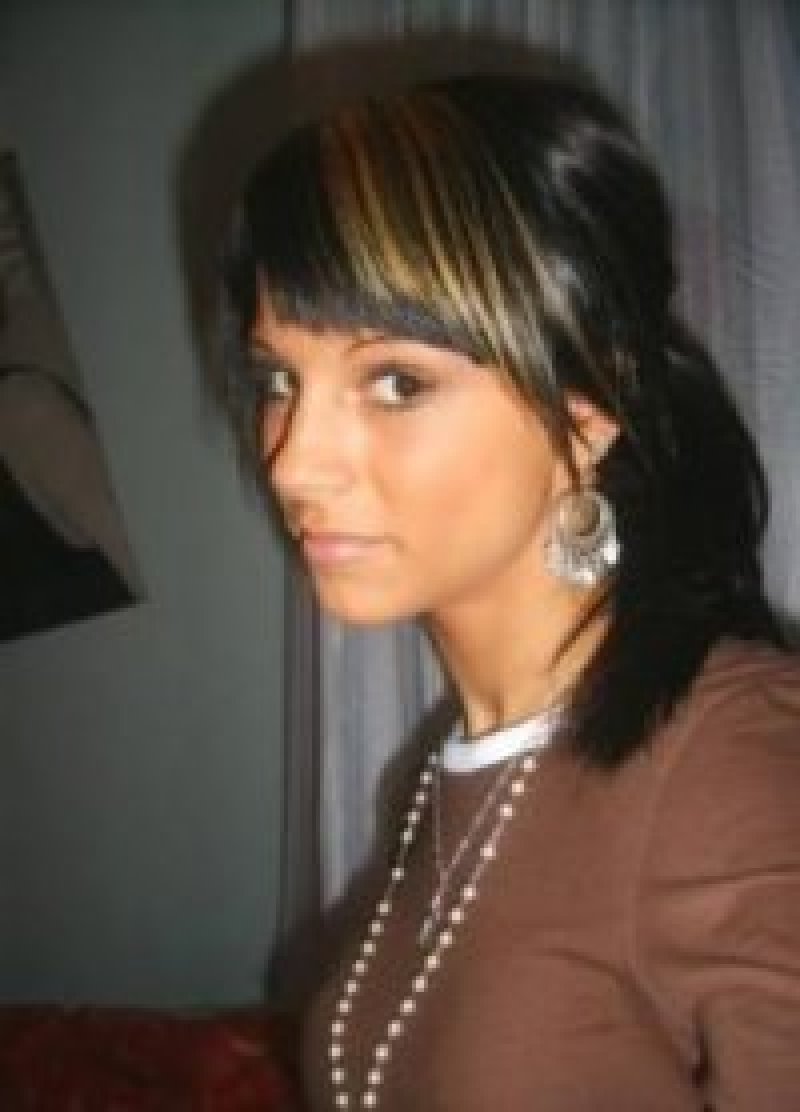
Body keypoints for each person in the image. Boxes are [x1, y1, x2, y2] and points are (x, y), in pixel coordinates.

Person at [218, 58, 800, 1111]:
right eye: (279, 380)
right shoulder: (435, 783)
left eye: (396, 381)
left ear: (589, 408)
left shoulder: (737, 757)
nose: (294, 463)